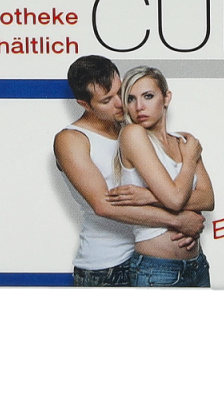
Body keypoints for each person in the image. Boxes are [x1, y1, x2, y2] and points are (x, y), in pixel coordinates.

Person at [54, 56, 204, 287]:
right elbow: (103, 205)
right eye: (106, 100)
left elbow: (174, 190)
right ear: (84, 104)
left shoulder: (134, 127)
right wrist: (177, 221)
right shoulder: (72, 139)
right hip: (107, 265)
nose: (120, 103)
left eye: (120, 92)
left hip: (148, 255)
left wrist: (157, 200)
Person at [114, 66, 214, 287]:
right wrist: (189, 160)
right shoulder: (133, 134)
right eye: (131, 99)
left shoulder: (183, 141)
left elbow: (208, 199)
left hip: (197, 266)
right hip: (156, 270)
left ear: (166, 98)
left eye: (148, 96)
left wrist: (149, 196)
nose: (139, 107)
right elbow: (175, 199)